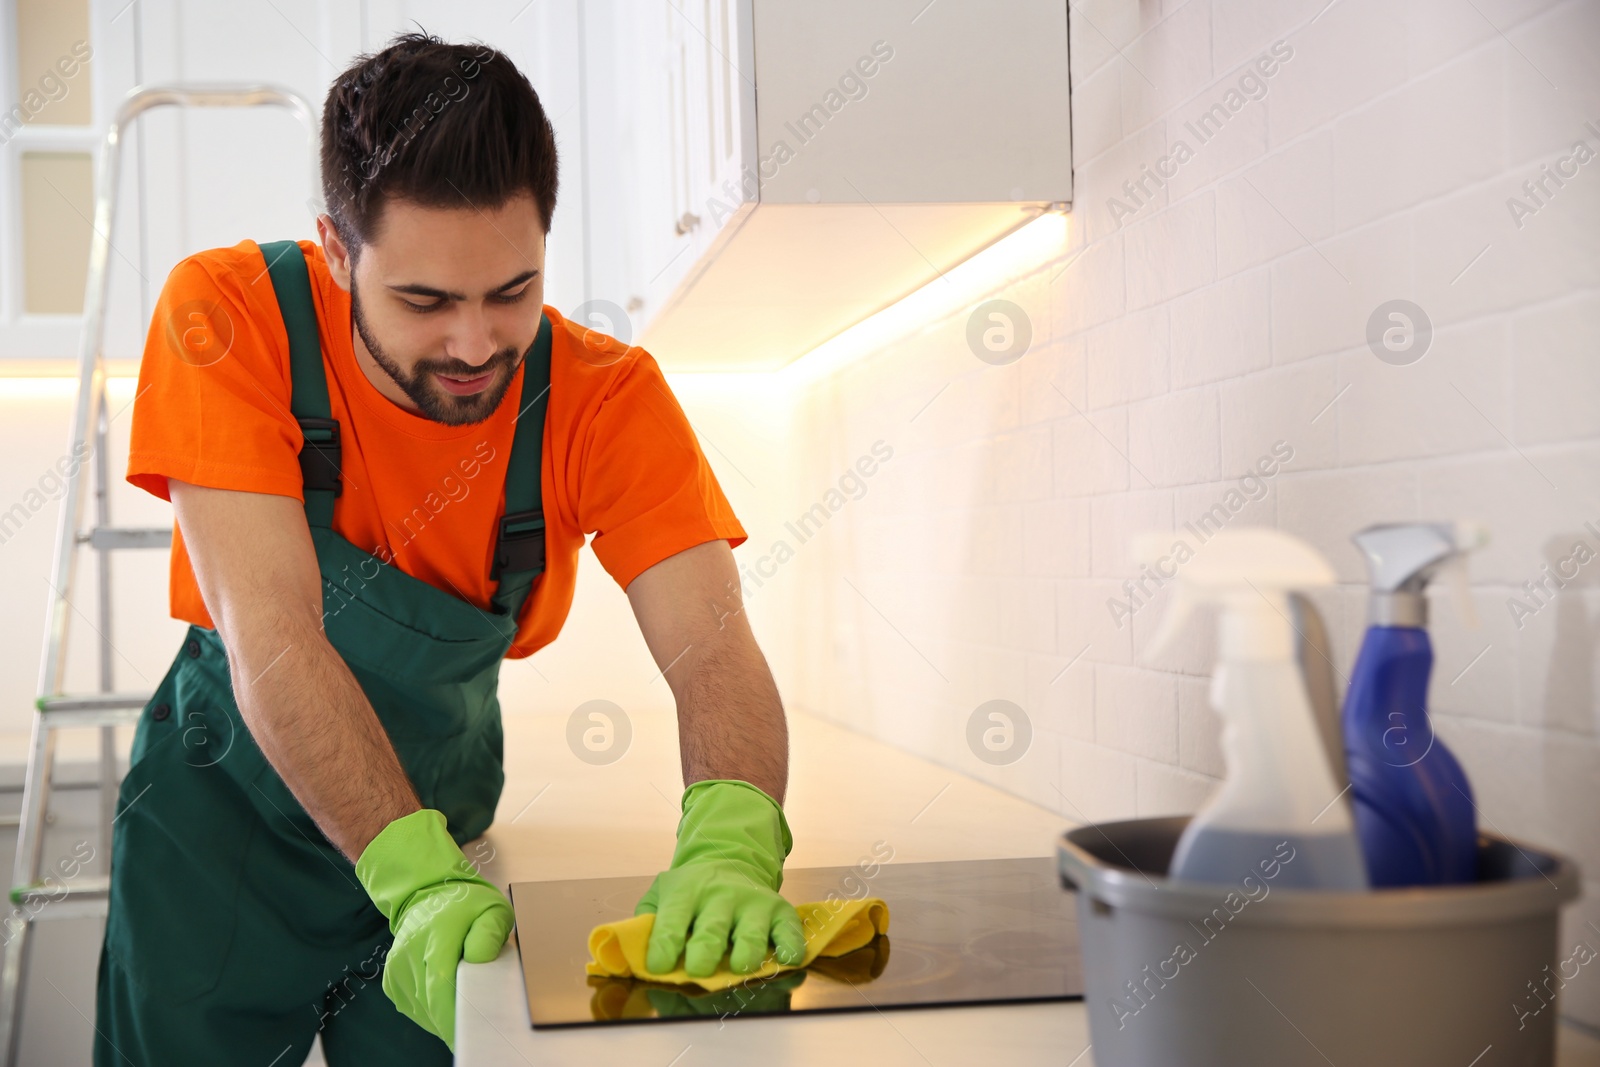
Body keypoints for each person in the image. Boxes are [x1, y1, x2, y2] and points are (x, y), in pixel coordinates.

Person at [94, 30, 803, 1064]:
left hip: (449, 853)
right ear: (337, 251)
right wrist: (408, 876)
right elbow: (274, 636)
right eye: (424, 301)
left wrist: (734, 836)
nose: (475, 345)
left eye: (510, 291)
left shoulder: (604, 399)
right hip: (219, 846)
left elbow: (713, 643)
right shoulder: (232, 316)